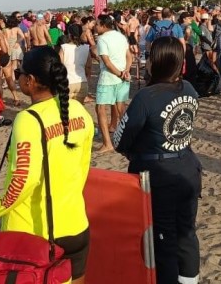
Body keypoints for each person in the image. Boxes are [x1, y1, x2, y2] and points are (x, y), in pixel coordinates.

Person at [0, 46, 94, 284]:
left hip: (37, 232)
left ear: (30, 80)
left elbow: (23, 180)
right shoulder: (79, 111)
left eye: (20, 72)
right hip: (76, 223)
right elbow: (83, 168)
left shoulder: (28, 120)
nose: (17, 76)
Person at [113, 37, 201, 284]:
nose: (147, 61)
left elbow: (121, 138)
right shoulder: (190, 90)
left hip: (159, 177)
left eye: (150, 57)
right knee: (186, 233)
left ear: (158, 62)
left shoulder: (146, 97)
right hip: (187, 168)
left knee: (164, 238)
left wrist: (135, 151)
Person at [94, 15, 132, 153]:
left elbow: (107, 62)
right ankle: (127, 139)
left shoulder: (102, 39)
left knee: (100, 109)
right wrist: (125, 71)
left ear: (104, 25)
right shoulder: (120, 36)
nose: (95, 26)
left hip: (109, 78)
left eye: (97, 24)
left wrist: (119, 73)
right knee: (121, 108)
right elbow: (129, 56)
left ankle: (107, 143)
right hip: (122, 76)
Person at [59, 24, 90, 101]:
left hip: (68, 82)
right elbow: (88, 67)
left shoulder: (64, 47)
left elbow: (60, 66)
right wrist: (86, 76)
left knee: (67, 109)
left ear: (69, 34)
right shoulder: (86, 48)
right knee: (78, 109)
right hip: (82, 82)